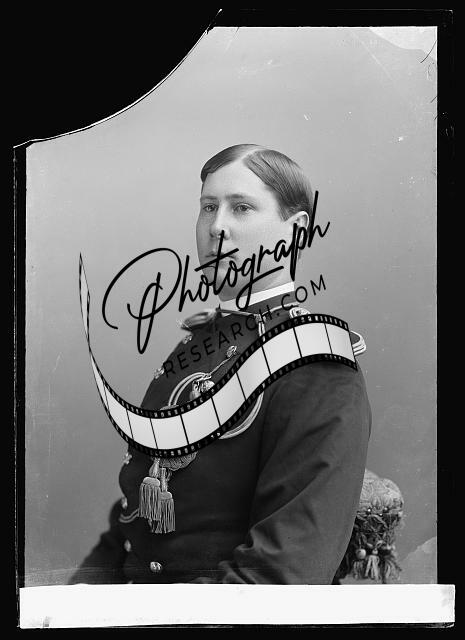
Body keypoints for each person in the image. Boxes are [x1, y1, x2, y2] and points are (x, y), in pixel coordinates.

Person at [69, 144, 371, 585]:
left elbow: (280, 576)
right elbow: (134, 518)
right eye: (208, 207)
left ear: (297, 231)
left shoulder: (315, 366)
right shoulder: (196, 342)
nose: (217, 227)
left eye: (241, 208)